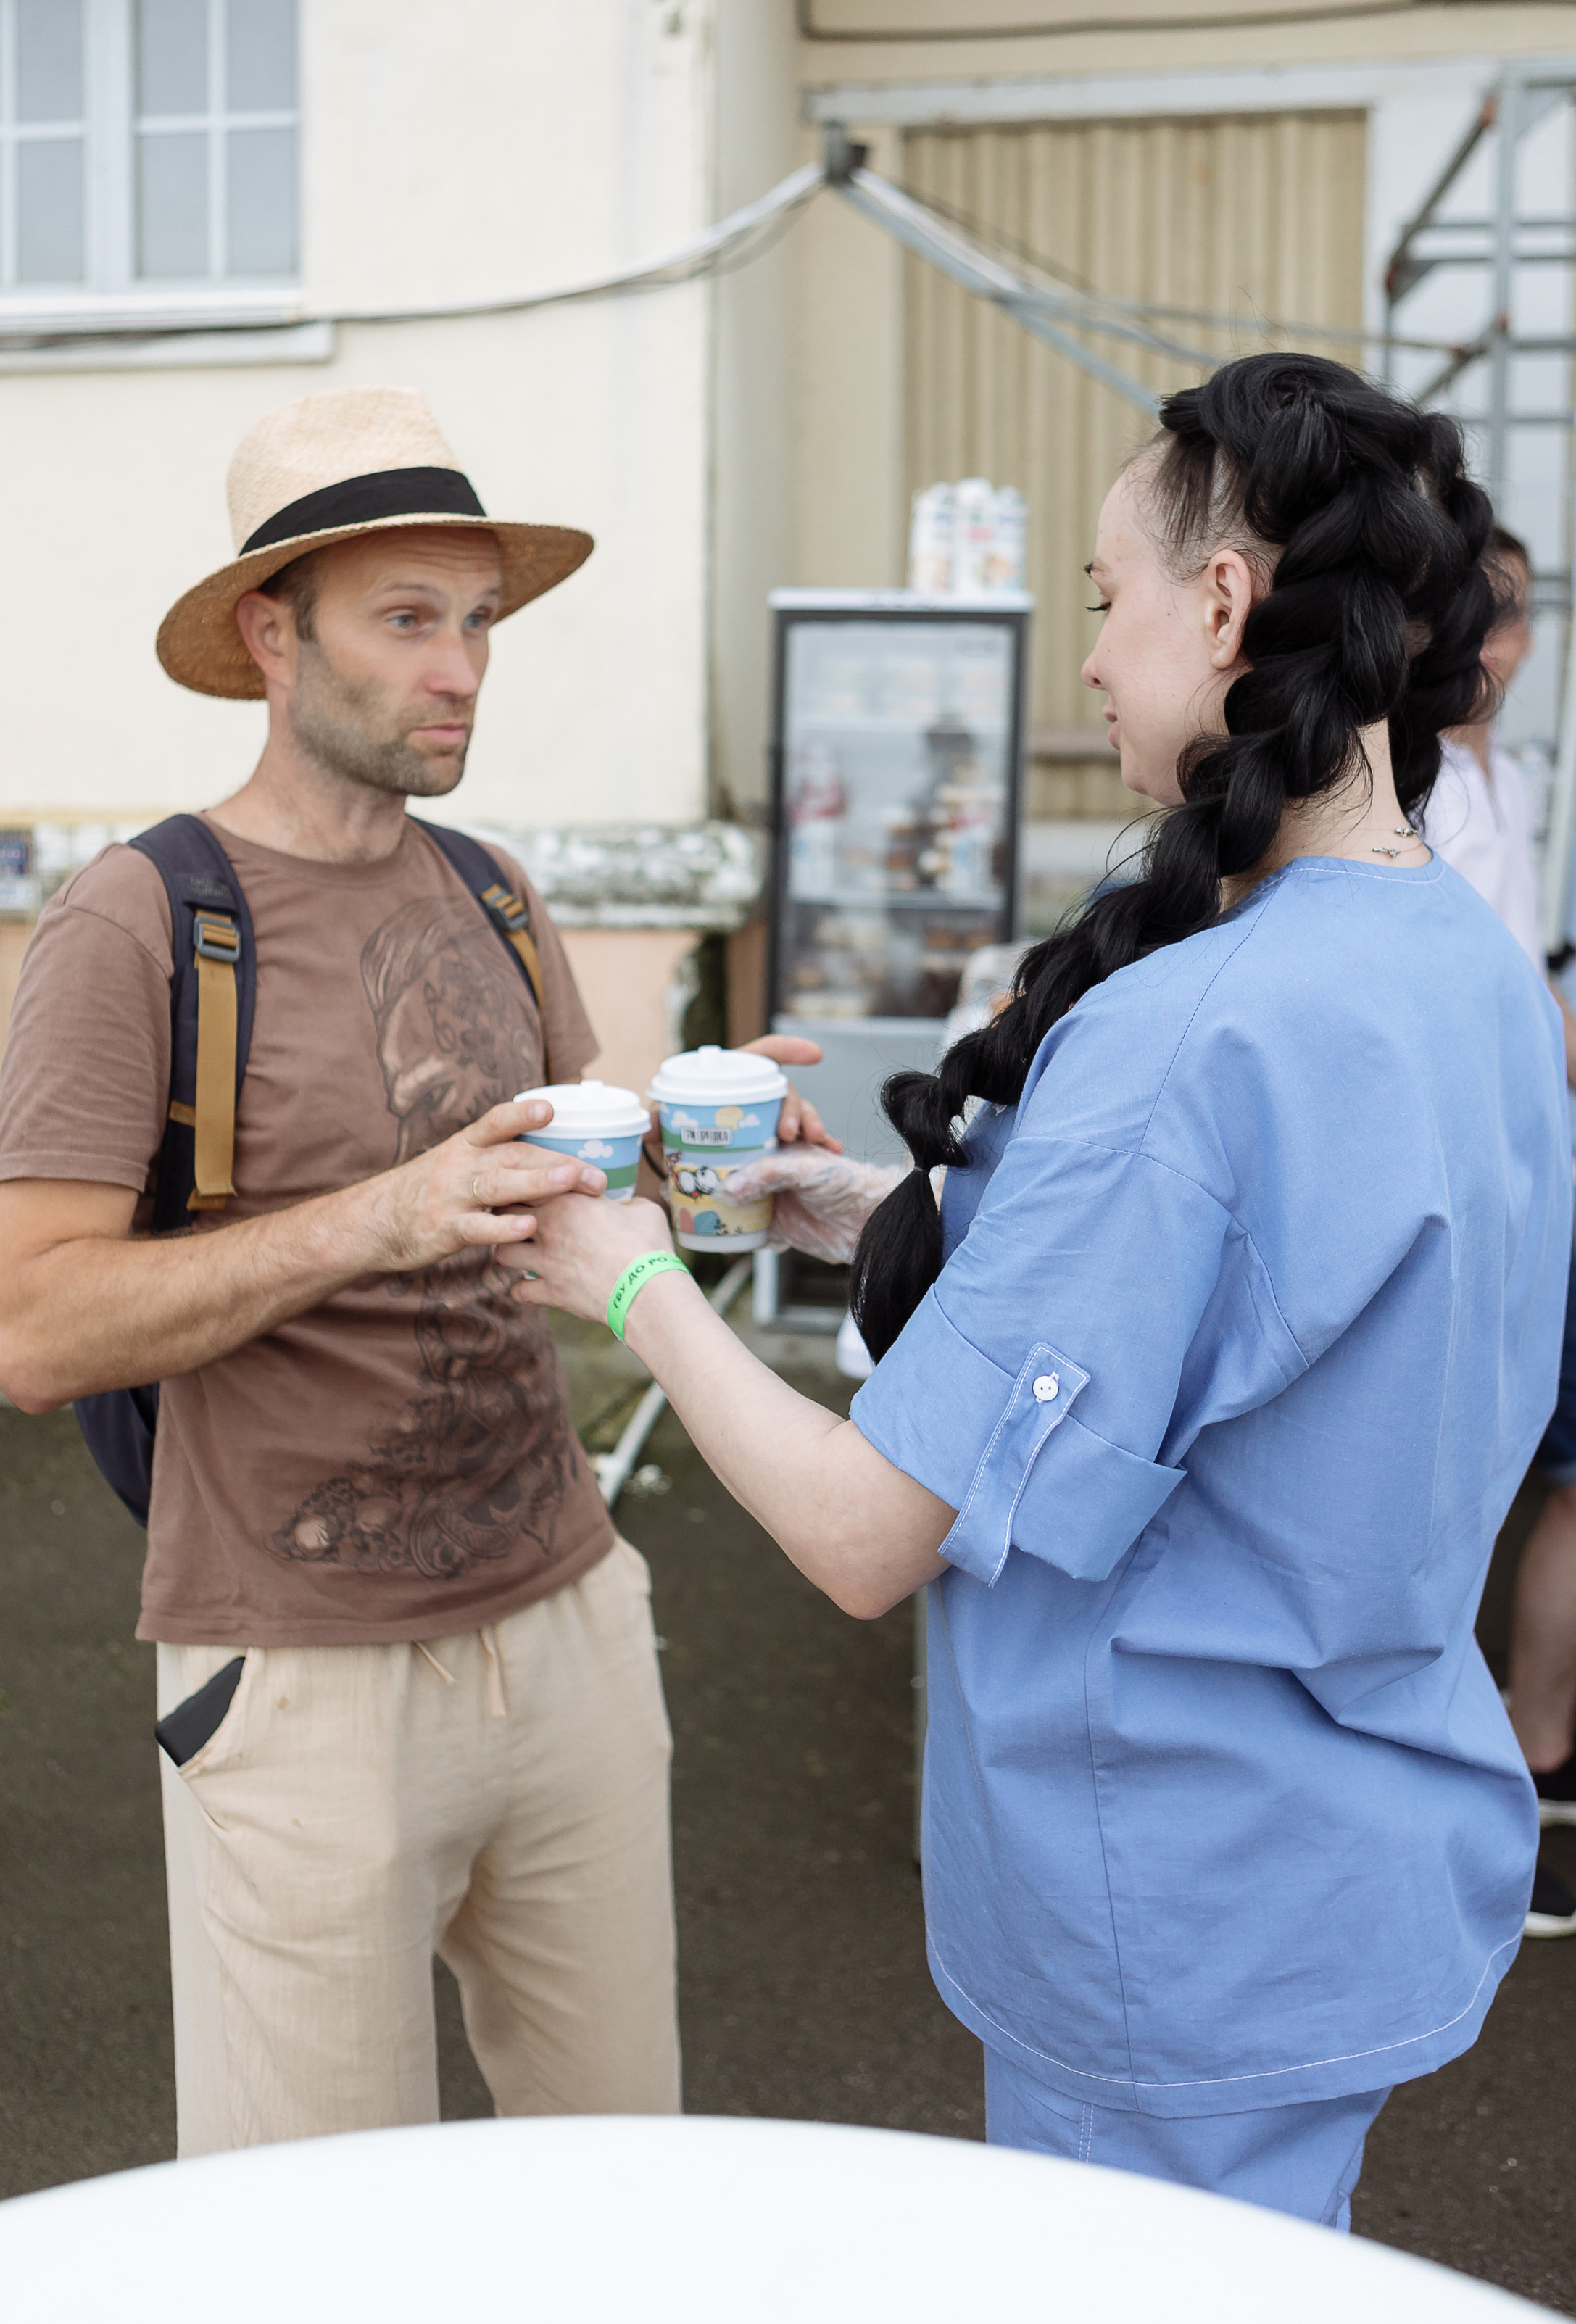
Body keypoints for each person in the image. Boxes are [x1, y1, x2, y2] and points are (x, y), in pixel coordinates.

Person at [501, 355, 1569, 2230]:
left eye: (1104, 599)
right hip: (1354, 1855)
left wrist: (631, 1277)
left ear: (1224, 603)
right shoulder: (1467, 969)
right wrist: (858, 1203)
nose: (1087, 656)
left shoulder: (1193, 1032)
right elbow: (1245, 1309)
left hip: (1173, 1900)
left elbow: (862, 1532)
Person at [0, 383, 821, 2150]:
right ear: (272, 637)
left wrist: (707, 1156)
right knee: (319, 2240)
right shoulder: (139, 920)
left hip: (572, 1621)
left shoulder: (496, 892)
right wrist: (378, 1213)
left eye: (481, 623)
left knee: (614, 2187)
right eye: (409, 619)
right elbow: (33, 1324)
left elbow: (550, 1189)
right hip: (297, 1675)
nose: (463, 670)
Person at [1425, 530, 1576, 1924]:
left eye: (1521, 621)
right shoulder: (1413, 789)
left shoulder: (1504, 775)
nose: (1504, 648)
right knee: (1457, 1465)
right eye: (1484, 617)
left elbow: (1522, 972)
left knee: (1512, 1454)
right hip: (1463, 1162)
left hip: (1535, 1151)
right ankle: (1489, 1789)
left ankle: (1513, 1763)